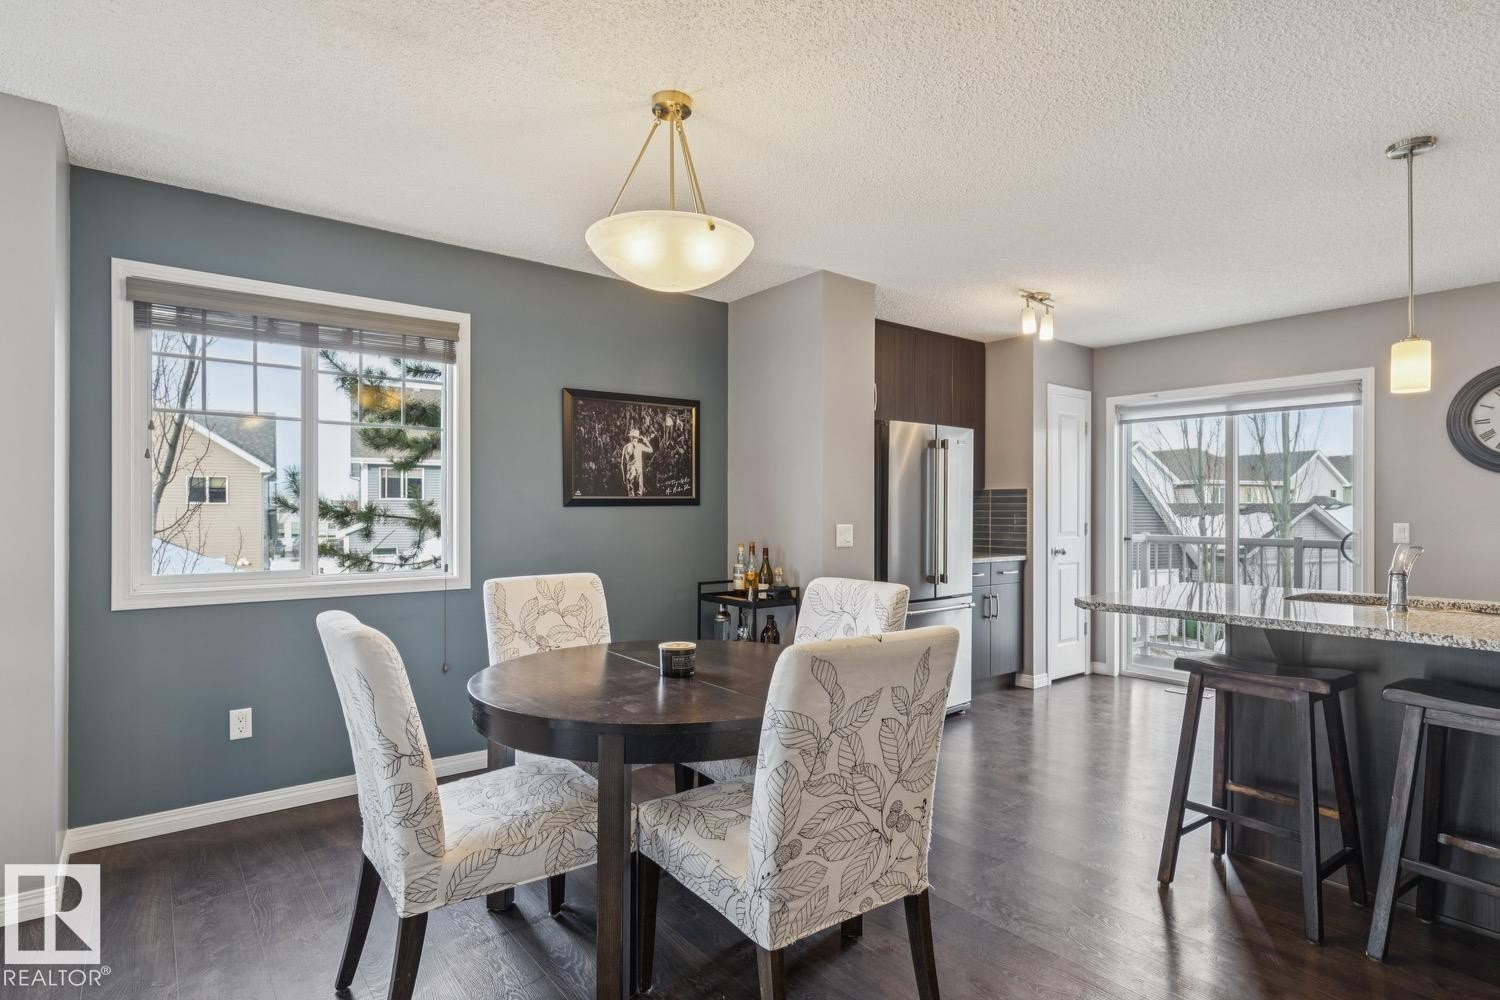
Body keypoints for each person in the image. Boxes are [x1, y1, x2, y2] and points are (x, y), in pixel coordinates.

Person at [620, 427, 654, 496]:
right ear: (637, 438)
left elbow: (622, 463)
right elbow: (651, 450)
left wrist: (623, 476)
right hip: (638, 471)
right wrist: (646, 441)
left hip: (630, 472)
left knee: (631, 494)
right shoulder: (640, 446)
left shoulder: (625, 447)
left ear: (631, 437)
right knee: (639, 493)